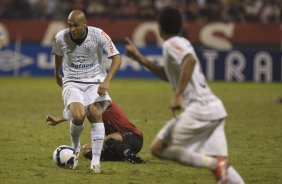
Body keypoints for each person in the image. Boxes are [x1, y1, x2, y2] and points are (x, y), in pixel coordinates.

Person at [125, 7, 244, 184]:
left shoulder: (171, 44)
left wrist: (178, 95)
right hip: (214, 108)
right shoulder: (179, 42)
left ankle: (213, 162)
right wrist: (140, 58)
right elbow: (167, 74)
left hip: (200, 110)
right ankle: (216, 164)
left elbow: (190, 59)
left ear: (159, 27)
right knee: (222, 168)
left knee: (158, 148)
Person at [52, 9, 121, 173]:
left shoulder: (99, 35)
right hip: (72, 81)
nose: (72, 29)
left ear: (85, 23)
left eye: (75, 25)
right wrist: (56, 73)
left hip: (94, 80)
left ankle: (95, 162)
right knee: (78, 115)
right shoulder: (60, 37)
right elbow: (58, 54)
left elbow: (117, 58)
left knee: (96, 113)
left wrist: (107, 80)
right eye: (70, 25)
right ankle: (74, 150)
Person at [45, 100, 145, 164]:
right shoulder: (89, 109)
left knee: (109, 139)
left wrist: (59, 119)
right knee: (86, 150)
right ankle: (121, 156)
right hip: (117, 143)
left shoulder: (105, 101)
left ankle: (131, 156)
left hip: (134, 137)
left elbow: (85, 108)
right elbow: (79, 113)